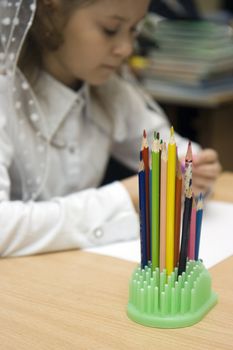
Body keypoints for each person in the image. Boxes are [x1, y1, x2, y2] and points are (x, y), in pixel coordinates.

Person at [0, 0, 221, 257]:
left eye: (134, 30)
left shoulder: (111, 92)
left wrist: (196, 167)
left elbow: (174, 151)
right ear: (51, 13)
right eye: (110, 29)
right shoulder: (5, 95)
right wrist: (127, 196)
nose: (126, 49)